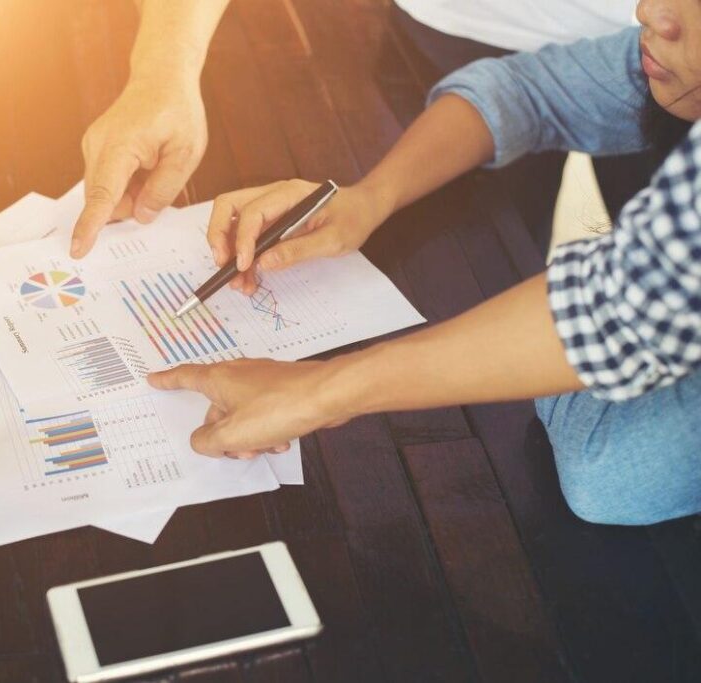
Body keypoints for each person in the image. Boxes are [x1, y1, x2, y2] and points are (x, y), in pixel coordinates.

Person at [145, 0, 701, 526]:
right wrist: (370, 196)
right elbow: (523, 90)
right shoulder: (666, 49)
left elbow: (604, 448)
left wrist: (318, 392)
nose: (646, 11)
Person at [69, 0, 637, 260]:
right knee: (492, 249)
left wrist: (325, 392)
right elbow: (517, 96)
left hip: (675, 65)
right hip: (452, 35)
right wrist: (164, 70)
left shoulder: (662, 34)